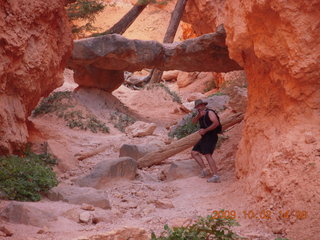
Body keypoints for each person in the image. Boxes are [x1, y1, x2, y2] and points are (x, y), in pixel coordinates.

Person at [191, 99, 222, 183]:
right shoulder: (200, 114)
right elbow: (193, 122)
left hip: (211, 136)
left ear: (204, 105)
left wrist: (205, 130)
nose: (199, 107)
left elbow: (216, 123)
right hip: (205, 137)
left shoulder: (210, 112)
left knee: (207, 155)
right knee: (194, 152)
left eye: (200, 105)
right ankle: (205, 170)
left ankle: (216, 176)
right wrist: (198, 116)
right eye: (197, 106)